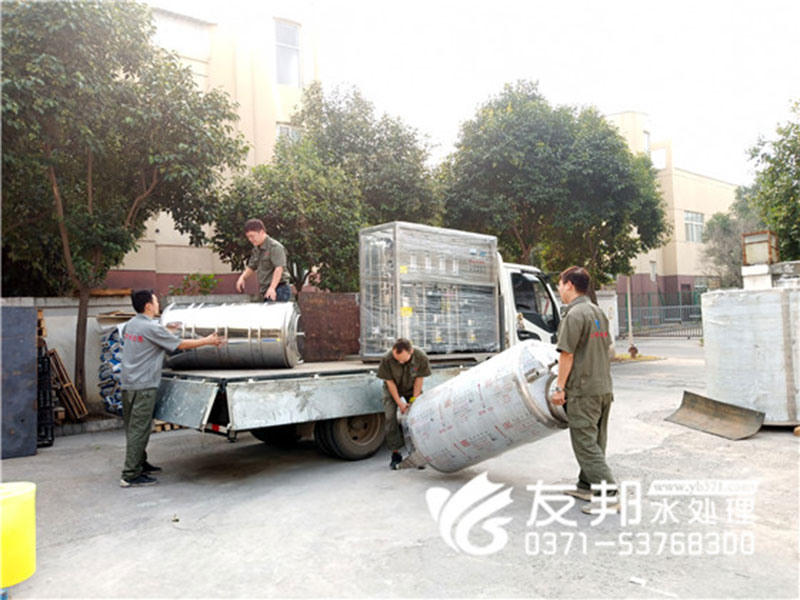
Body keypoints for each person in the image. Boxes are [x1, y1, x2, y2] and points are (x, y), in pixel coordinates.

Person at [119, 289, 225, 487]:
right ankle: (130, 474)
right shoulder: (151, 327)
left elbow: (151, 336)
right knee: (140, 429)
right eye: (156, 301)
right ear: (148, 306)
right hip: (143, 386)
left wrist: (167, 329)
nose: (158, 304)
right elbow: (180, 345)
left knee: (133, 427)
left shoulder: (130, 325)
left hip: (128, 384)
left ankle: (139, 462)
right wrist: (207, 341)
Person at [550, 266, 618, 514]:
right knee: (596, 440)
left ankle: (609, 495)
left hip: (583, 390)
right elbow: (605, 348)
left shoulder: (575, 314)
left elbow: (567, 354)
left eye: (560, 284)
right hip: (603, 387)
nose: (559, 289)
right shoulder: (597, 312)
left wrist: (559, 387)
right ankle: (587, 485)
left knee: (585, 443)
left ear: (569, 285)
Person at [376, 338, 431, 470]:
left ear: (410, 352)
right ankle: (395, 453)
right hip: (392, 389)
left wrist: (413, 401)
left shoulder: (420, 357)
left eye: (403, 360)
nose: (399, 362)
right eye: (397, 360)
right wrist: (400, 404)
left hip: (411, 388)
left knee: (418, 416)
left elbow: (419, 380)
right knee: (390, 418)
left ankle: (418, 452)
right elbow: (390, 383)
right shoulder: (387, 358)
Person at [235, 218, 292, 302]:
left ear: (261, 232)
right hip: (266, 289)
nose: (250, 239)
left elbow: (279, 268)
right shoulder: (257, 249)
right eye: (248, 237)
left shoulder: (275, 247)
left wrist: (272, 288)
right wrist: (242, 277)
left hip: (279, 289)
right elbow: (252, 266)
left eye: (252, 236)